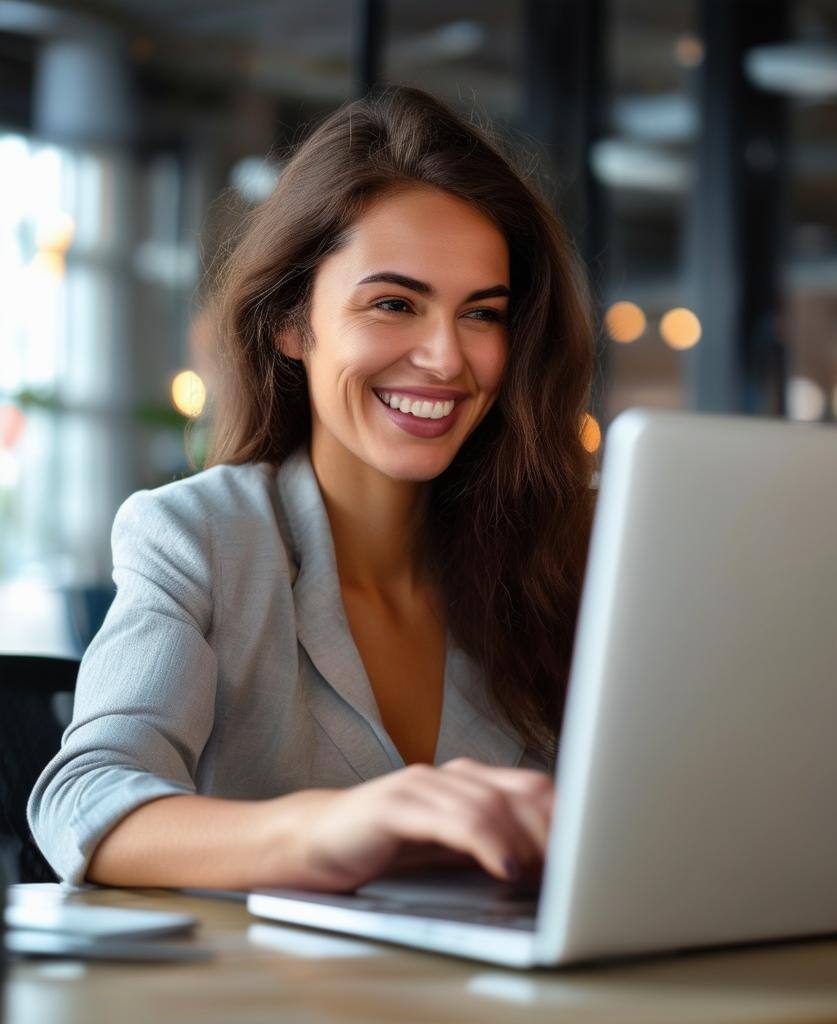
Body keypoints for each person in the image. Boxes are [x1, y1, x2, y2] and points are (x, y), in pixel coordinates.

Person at [28, 85, 596, 893]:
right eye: (394, 303)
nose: (446, 359)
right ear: (293, 324)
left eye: (482, 314)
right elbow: (85, 800)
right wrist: (331, 826)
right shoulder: (201, 537)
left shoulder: (559, 557)